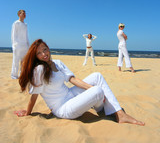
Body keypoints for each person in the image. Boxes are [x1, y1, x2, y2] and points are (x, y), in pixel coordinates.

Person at [15, 39, 144, 126]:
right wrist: (28, 112)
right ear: (35, 56)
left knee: (97, 77)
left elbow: (73, 79)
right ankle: (104, 108)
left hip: (71, 95)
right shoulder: (39, 70)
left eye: (44, 50)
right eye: (39, 53)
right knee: (98, 90)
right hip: (63, 108)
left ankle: (118, 113)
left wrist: (90, 88)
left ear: (48, 48)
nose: (44, 54)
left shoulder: (58, 63)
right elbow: (34, 95)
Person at [11, 10, 29, 79]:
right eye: (23, 13)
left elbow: (26, 35)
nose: (24, 14)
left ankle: (21, 74)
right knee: (15, 61)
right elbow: (13, 35)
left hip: (24, 45)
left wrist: (28, 44)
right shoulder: (16, 23)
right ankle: (14, 75)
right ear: (19, 14)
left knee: (24, 61)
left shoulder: (25, 25)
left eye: (25, 13)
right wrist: (14, 45)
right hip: (17, 45)